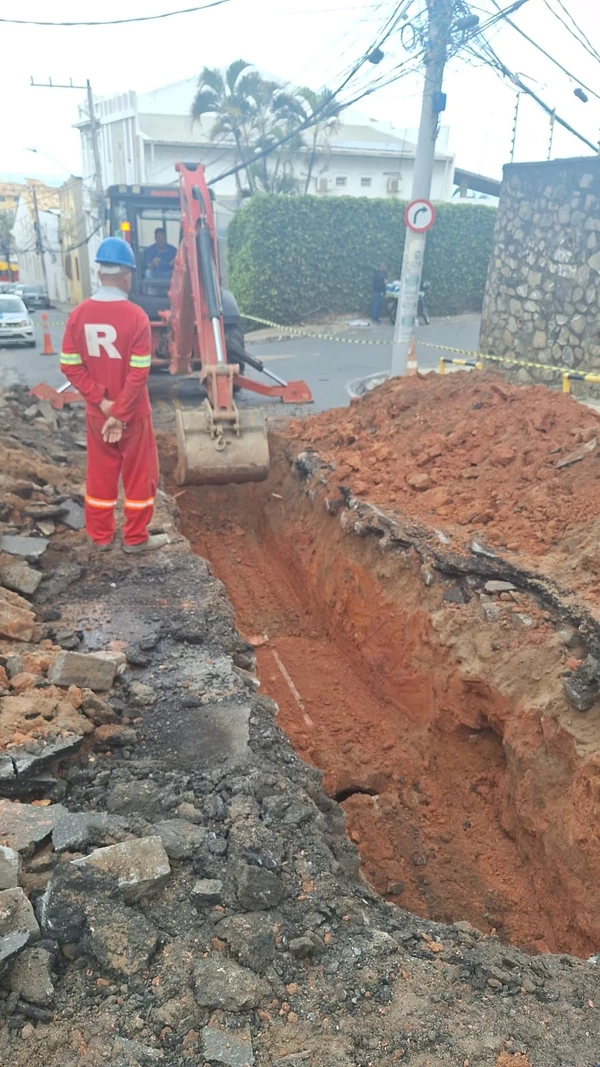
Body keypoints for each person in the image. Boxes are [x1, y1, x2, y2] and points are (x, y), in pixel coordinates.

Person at [60, 236, 169, 554]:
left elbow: (69, 366)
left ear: (98, 274)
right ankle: (135, 538)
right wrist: (120, 413)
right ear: (127, 275)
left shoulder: (78, 315)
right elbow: (139, 374)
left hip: (98, 414)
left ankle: (101, 537)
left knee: (100, 474)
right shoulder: (136, 317)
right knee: (139, 475)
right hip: (133, 414)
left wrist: (102, 402)